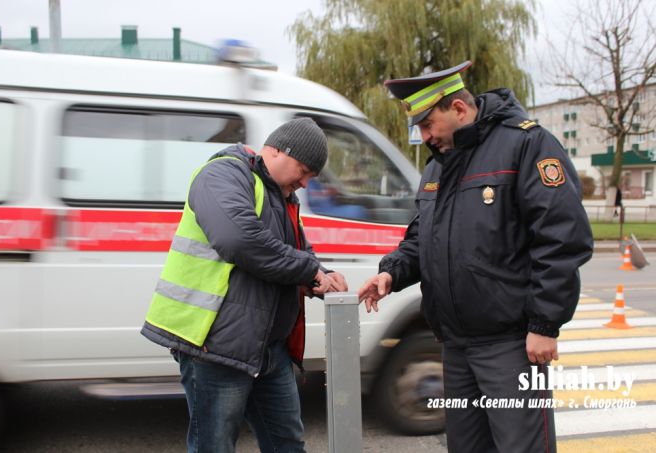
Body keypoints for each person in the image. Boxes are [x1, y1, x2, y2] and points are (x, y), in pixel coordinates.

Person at [358, 61, 593, 452]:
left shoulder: (526, 145)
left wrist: (544, 323)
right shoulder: (438, 165)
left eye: (428, 125)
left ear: (459, 110)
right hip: (454, 345)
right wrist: (391, 273)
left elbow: (562, 237)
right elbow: (423, 239)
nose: (425, 137)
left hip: (511, 345)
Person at [142, 117, 348, 453]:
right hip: (215, 347)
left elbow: (296, 250)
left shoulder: (281, 195)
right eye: (305, 170)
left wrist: (321, 274)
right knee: (215, 446)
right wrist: (309, 271)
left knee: (288, 445)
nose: (306, 183)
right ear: (279, 150)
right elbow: (241, 242)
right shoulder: (222, 175)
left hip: (269, 349)